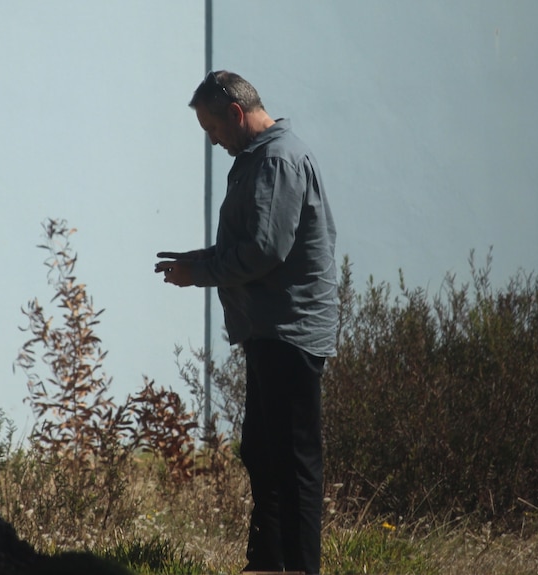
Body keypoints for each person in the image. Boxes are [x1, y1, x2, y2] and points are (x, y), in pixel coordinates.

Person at [155, 70, 339, 575]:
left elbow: (264, 251)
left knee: (293, 462)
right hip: (270, 333)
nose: (214, 141)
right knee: (262, 453)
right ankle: (265, 564)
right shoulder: (258, 159)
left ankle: (297, 567)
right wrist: (199, 259)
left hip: (290, 332)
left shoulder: (276, 160)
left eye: (213, 129)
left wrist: (201, 275)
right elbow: (253, 243)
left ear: (235, 114)